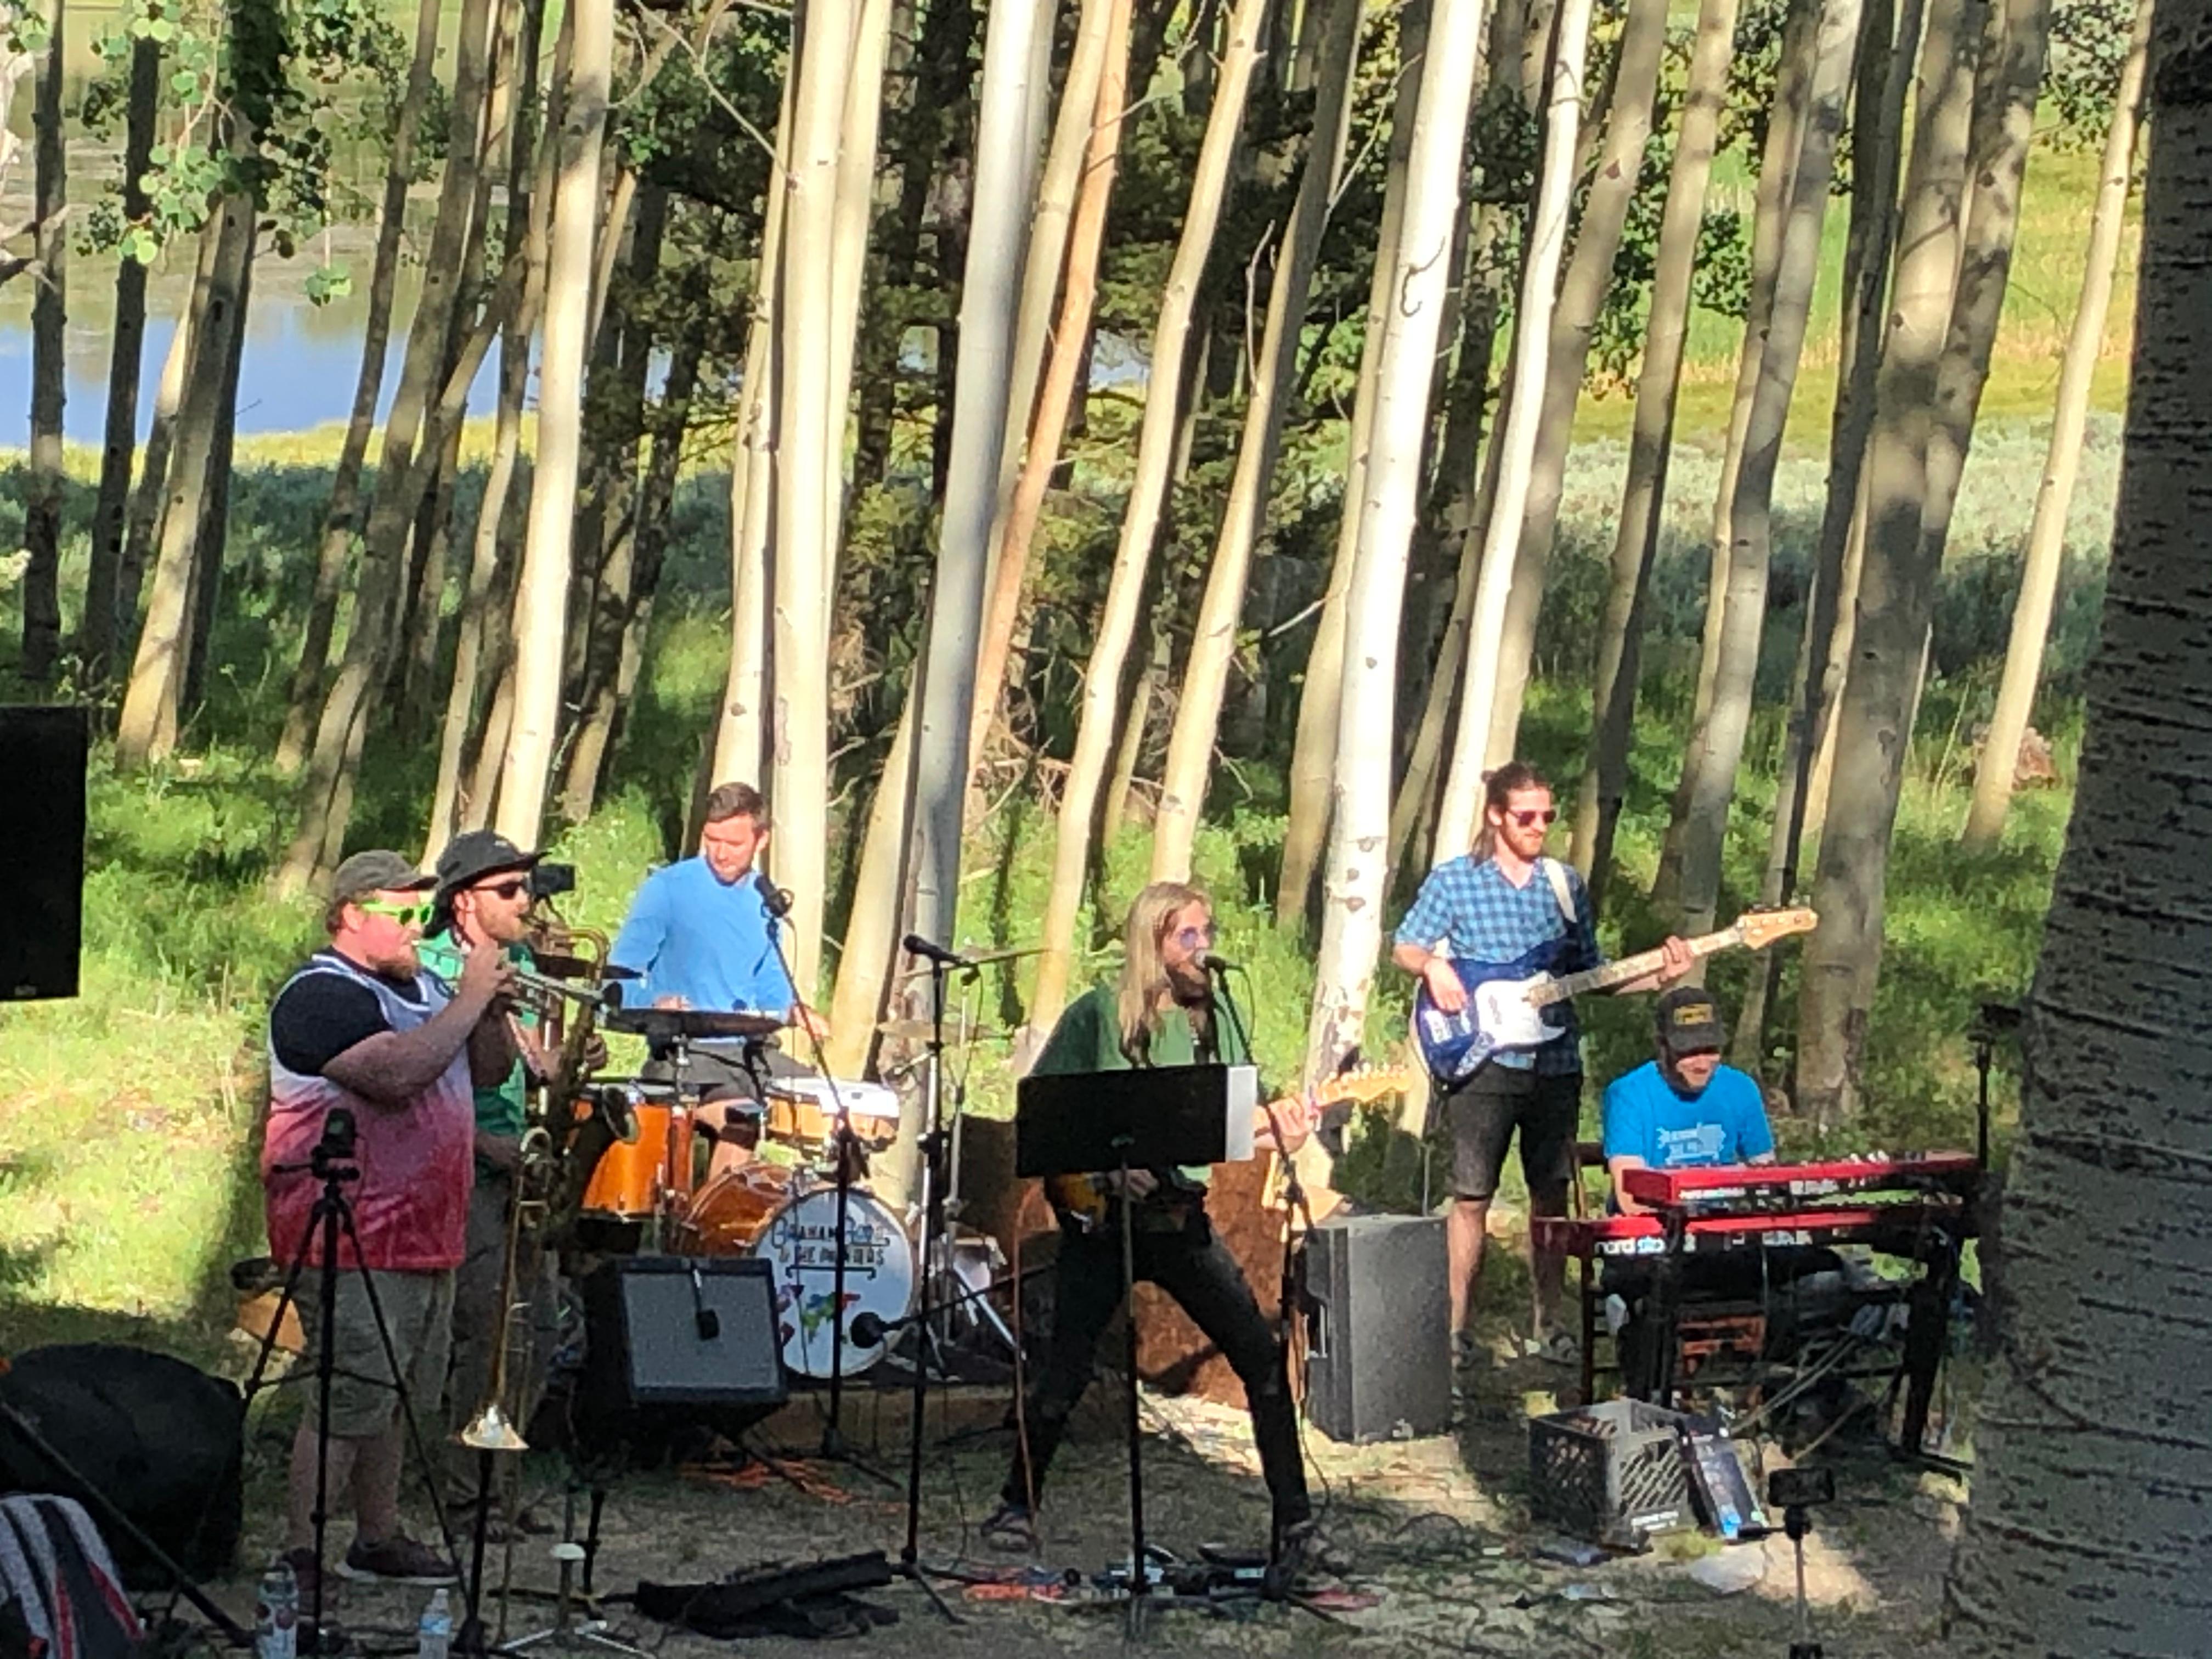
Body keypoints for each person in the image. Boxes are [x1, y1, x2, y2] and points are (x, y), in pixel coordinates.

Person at [979, 882, 1346, 1592]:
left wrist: (1286, 1129)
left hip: (1179, 1221)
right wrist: (1103, 1173)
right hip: (1101, 1222)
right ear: (1153, 942)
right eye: (1188, 935)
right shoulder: (1097, 1014)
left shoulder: (1217, 1019)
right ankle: (1016, 1504)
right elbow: (1045, 1119)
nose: (1203, 948)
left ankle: (1296, 1522)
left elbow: (1232, 1127)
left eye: (1208, 932)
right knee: (1065, 1372)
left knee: (1261, 1359)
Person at [261, 850, 516, 1605]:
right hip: (349, 1230)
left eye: (421, 912)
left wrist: (488, 1012)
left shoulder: (430, 991)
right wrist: (469, 1001)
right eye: (400, 913)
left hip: (425, 1231)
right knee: (350, 1393)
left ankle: (376, 1536)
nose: (417, 928)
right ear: (350, 915)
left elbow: (489, 1073)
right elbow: (396, 1077)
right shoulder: (321, 995)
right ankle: (301, 1550)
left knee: (399, 1395)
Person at [1391, 761, 1691, 1371]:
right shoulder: (1456, 881)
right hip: (1482, 1061)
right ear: (1496, 816)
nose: (1538, 827)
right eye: (1526, 816)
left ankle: (1547, 1325)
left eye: (1547, 816)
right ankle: (1455, 1329)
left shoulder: (1563, 884)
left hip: (1554, 1062)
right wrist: (1433, 966)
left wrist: (1660, 975)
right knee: (1470, 1196)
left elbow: (1594, 975)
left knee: (1550, 1196)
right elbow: (1405, 945)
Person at [416, 831, 562, 1527]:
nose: (525, 900)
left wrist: (568, 1060)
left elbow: (530, 1065)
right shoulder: (428, 968)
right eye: (508, 889)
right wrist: (483, 1144)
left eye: (525, 886)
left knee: (538, 1327)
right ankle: (466, 1493)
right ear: (465, 901)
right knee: (483, 1329)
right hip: (464, 1164)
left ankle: (501, 1485)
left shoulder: (522, 961)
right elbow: (418, 1090)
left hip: (519, 1163)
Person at [608, 782, 828, 1176]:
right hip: (687, 1057)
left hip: (753, 1054)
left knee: (836, 1110)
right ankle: (717, 1214)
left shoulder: (765, 900)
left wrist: (796, 1011)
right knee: (741, 1119)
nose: (721, 854)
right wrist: (654, 1002)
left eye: (734, 843)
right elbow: (616, 981)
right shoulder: (667, 889)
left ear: (762, 840)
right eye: (712, 840)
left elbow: (771, 990)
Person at [1600, 988, 1803, 1397]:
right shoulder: (1628, 1094)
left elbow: (1767, 1177)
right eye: (1688, 1051)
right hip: (1657, 1244)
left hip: (1726, 1241)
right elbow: (1630, 1197)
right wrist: (1720, 1186)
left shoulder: (1740, 1089)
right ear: (1661, 1046)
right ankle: (1653, 1395)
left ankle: (1791, 1395)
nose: (1702, 1062)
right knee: (1651, 1286)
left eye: (1711, 1050)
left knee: (1818, 1272)